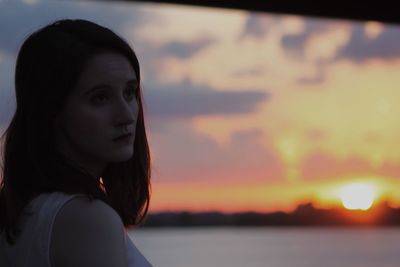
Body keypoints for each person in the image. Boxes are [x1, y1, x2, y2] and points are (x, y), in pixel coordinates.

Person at [0, 19, 152, 267]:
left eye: (130, 92)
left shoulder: (22, 212)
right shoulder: (87, 219)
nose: (126, 115)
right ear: (52, 111)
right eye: (100, 97)